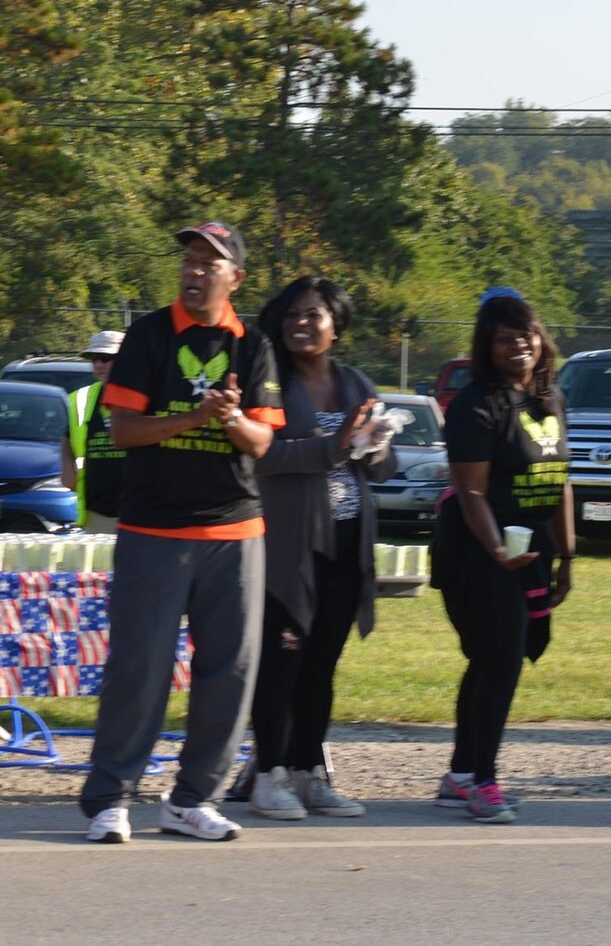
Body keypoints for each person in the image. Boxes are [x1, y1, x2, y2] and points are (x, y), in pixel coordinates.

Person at [78, 221, 283, 845]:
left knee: (231, 670)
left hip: (234, 530)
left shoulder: (254, 345)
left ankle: (194, 799)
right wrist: (197, 414)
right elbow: (124, 432)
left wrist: (231, 419)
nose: (195, 272)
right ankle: (110, 799)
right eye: (189, 260)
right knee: (138, 669)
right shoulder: (148, 335)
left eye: (210, 263)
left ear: (235, 279)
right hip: (154, 530)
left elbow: (263, 441)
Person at [245, 278, 387, 821]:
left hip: (347, 543)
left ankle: (309, 773)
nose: (300, 324)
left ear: (336, 323)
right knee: (281, 664)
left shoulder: (354, 382)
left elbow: (377, 466)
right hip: (288, 545)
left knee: (322, 664)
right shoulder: (270, 383)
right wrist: (333, 446)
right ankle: (268, 775)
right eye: (291, 317)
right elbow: (263, 457)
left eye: (313, 315)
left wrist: (373, 447)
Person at [433, 291, 574, 823]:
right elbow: (470, 492)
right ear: (486, 347)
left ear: (541, 340)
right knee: (499, 660)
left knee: (493, 660)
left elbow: (559, 480)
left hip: (528, 548)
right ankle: (483, 782)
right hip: (476, 549)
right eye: (503, 339)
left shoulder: (550, 399)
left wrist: (568, 557)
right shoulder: (476, 404)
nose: (517, 346)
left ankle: (461, 774)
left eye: (525, 335)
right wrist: (495, 548)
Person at [61, 331, 125, 533]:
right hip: (96, 512)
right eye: (94, 359)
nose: (98, 365)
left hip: (139, 511)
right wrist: (67, 470)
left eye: (106, 359)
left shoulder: (146, 397)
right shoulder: (79, 399)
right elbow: (66, 438)